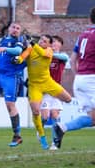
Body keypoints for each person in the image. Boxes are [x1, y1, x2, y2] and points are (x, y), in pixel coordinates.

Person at [13, 34, 71, 150]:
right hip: (39, 88)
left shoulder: (53, 53)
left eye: (45, 41)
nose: (41, 42)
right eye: (41, 40)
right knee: (42, 115)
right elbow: (23, 56)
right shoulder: (33, 49)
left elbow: (47, 54)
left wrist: (33, 43)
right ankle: (43, 134)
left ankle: (54, 140)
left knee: (66, 102)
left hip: (51, 85)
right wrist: (17, 59)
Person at [53, 7, 95, 149]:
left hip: (81, 79)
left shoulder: (83, 35)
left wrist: (79, 75)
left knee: (93, 118)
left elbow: (72, 60)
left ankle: (62, 127)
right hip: (92, 79)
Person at [39, 35, 69, 150]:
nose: (55, 44)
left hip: (56, 90)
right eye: (54, 42)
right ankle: (40, 130)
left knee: (55, 116)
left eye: (58, 42)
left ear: (60, 45)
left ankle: (54, 143)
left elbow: (63, 58)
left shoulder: (62, 57)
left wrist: (49, 53)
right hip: (45, 90)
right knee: (46, 116)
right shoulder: (45, 56)